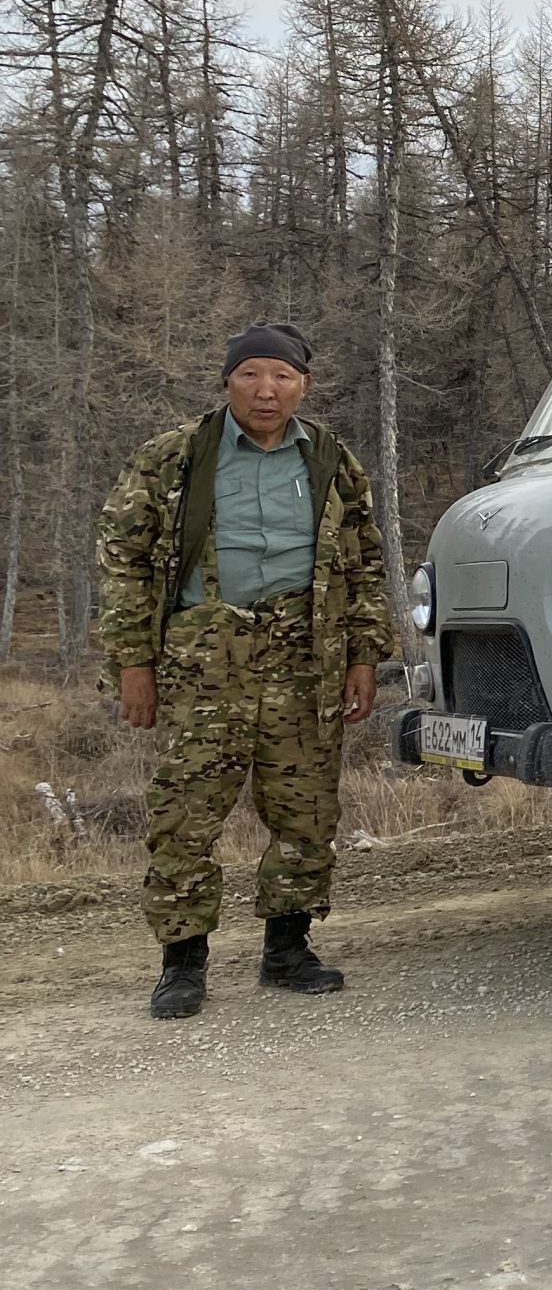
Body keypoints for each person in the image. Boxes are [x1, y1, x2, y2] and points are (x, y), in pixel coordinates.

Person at [96, 324, 396, 1019]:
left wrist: (362, 656)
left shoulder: (331, 461)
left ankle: (287, 951)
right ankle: (182, 963)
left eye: (282, 377)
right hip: (205, 658)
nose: (267, 390)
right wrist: (133, 664)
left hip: (306, 658)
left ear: (304, 386)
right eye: (251, 375)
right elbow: (123, 560)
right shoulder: (176, 456)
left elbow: (367, 564)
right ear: (228, 382)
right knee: (185, 814)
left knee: (306, 810)